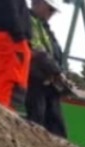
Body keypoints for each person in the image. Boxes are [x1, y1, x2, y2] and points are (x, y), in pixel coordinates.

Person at [0, 0, 32, 114]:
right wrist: (19, 35)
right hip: (10, 37)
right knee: (11, 82)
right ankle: (2, 116)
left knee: (1, 82)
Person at [26, 0, 69, 138]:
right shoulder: (29, 21)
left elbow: (54, 53)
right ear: (37, 3)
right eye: (50, 9)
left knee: (57, 126)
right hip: (36, 79)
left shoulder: (44, 27)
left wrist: (61, 73)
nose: (52, 14)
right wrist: (56, 72)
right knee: (37, 120)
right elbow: (38, 50)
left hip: (50, 82)